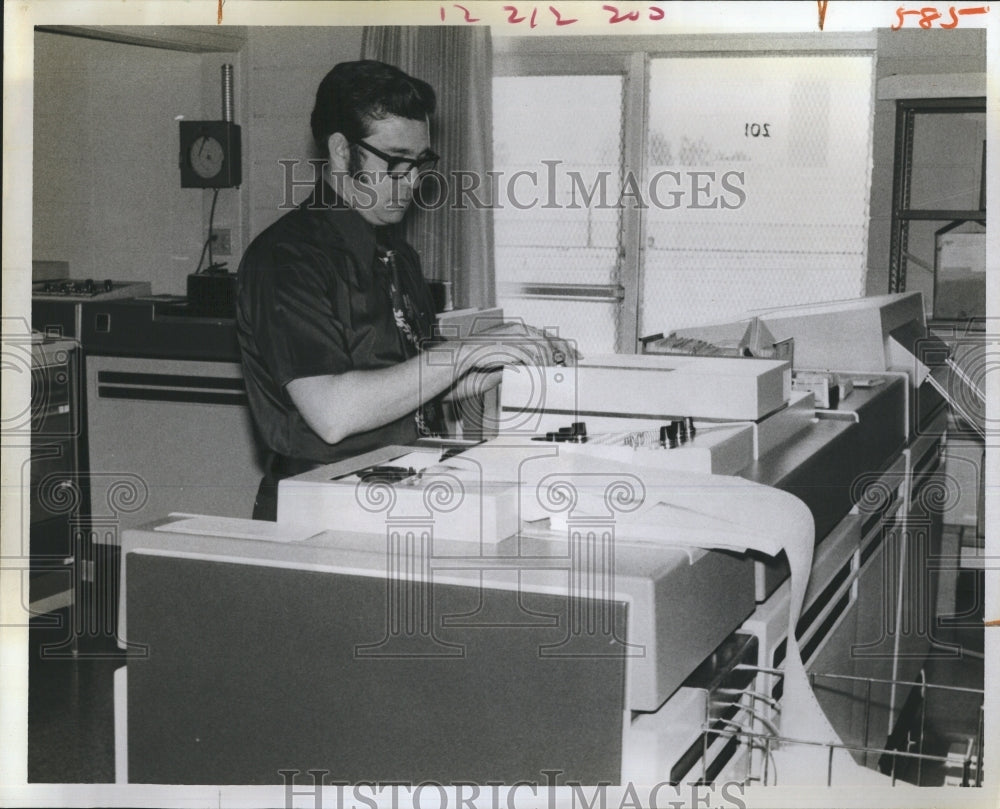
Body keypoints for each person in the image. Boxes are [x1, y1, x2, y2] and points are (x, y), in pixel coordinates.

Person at [236, 60, 573, 520]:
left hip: (396, 490)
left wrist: (499, 367)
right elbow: (334, 414)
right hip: (318, 508)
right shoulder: (288, 258)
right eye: (395, 161)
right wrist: (468, 350)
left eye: (420, 163)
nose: (412, 181)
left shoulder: (396, 254)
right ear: (340, 152)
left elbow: (406, 386)